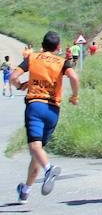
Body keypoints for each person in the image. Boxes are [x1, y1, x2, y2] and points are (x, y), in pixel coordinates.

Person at [9, 31, 79, 204]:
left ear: (42, 45)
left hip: (36, 106)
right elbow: (73, 77)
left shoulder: (32, 58)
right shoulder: (62, 62)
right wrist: (74, 96)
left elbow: (13, 77)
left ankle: (49, 169)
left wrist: (20, 85)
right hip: (53, 110)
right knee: (38, 151)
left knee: (34, 146)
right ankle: (25, 191)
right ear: (58, 47)